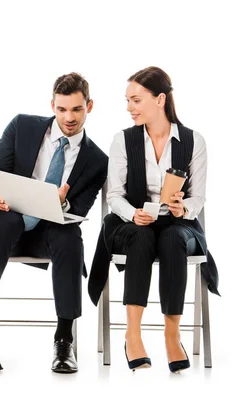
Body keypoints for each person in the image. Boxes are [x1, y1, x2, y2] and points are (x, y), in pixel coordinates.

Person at [0, 73, 108, 373]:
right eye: (62, 109)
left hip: (49, 231)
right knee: (6, 222)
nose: (69, 117)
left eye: (76, 109)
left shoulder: (96, 160)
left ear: (89, 106)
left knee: (69, 236)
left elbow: (80, 208)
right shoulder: (22, 126)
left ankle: (64, 339)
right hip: (6, 219)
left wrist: (63, 202)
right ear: (52, 105)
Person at [88, 66, 219, 372]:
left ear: (160, 99)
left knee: (173, 237)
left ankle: (172, 335)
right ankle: (132, 334)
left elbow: (197, 198)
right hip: (133, 223)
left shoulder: (193, 141)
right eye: (127, 100)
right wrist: (132, 213)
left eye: (136, 100)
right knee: (142, 235)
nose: (129, 108)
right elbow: (114, 196)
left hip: (177, 224)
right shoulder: (123, 140)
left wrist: (181, 208)